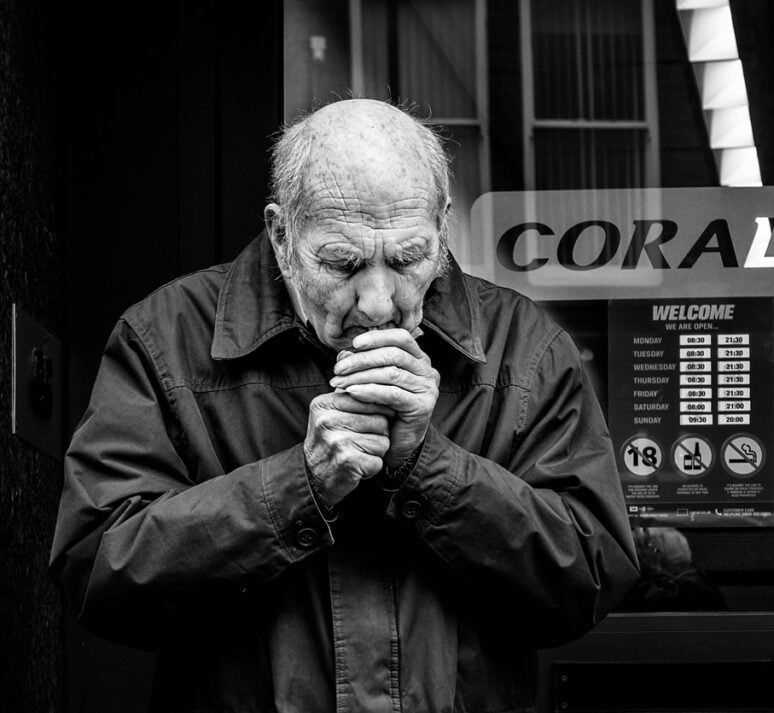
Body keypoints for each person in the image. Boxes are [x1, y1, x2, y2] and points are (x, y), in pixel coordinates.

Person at [49, 99, 638, 712]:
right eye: (342, 263)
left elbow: (590, 579)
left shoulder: (525, 348)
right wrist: (299, 485)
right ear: (282, 235)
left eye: (409, 258)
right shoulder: (167, 338)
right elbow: (97, 572)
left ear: (441, 226)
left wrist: (427, 465)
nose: (379, 303)